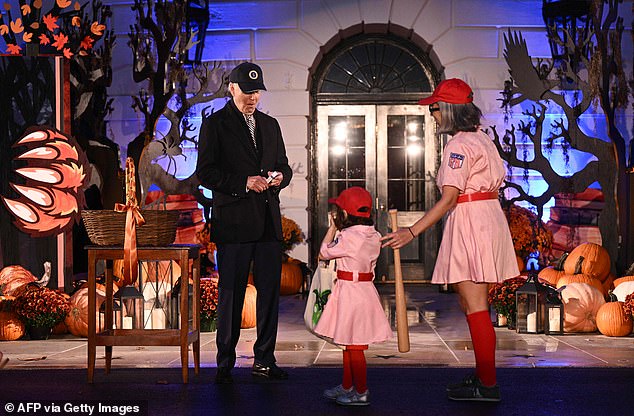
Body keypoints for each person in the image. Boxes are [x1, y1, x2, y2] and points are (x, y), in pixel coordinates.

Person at [381, 78, 519, 402]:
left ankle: (487, 384)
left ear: (451, 110)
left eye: (435, 108)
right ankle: (484, 376)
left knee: (475, 306)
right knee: (472, 303)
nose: (433, 114)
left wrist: (411, 231)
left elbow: (449, 199)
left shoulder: (458, 145)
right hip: (487, 218)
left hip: (472, 221)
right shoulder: (483, 139)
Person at [196, 62, 293, 384]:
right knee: (231, 295)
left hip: (267, 223)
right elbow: (206, 173)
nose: (253, 98)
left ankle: (265, 358)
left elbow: (283, 166)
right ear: (232, 88)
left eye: (257, 92)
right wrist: (243, 182)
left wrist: (281, 177)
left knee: (269, 295)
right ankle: (225, 362)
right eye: (247, 91)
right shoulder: (215, 125)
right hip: (234, 224)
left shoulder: (270, 124)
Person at [314, 187, 393, 406]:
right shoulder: (374, 235)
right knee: (350, 342)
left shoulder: (347, 236)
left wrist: (332, 228)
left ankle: (361, 391)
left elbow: (323, 252)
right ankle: (348, 386)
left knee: (354, 345)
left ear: (345, 214)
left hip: (351, 291)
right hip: (365, 289)